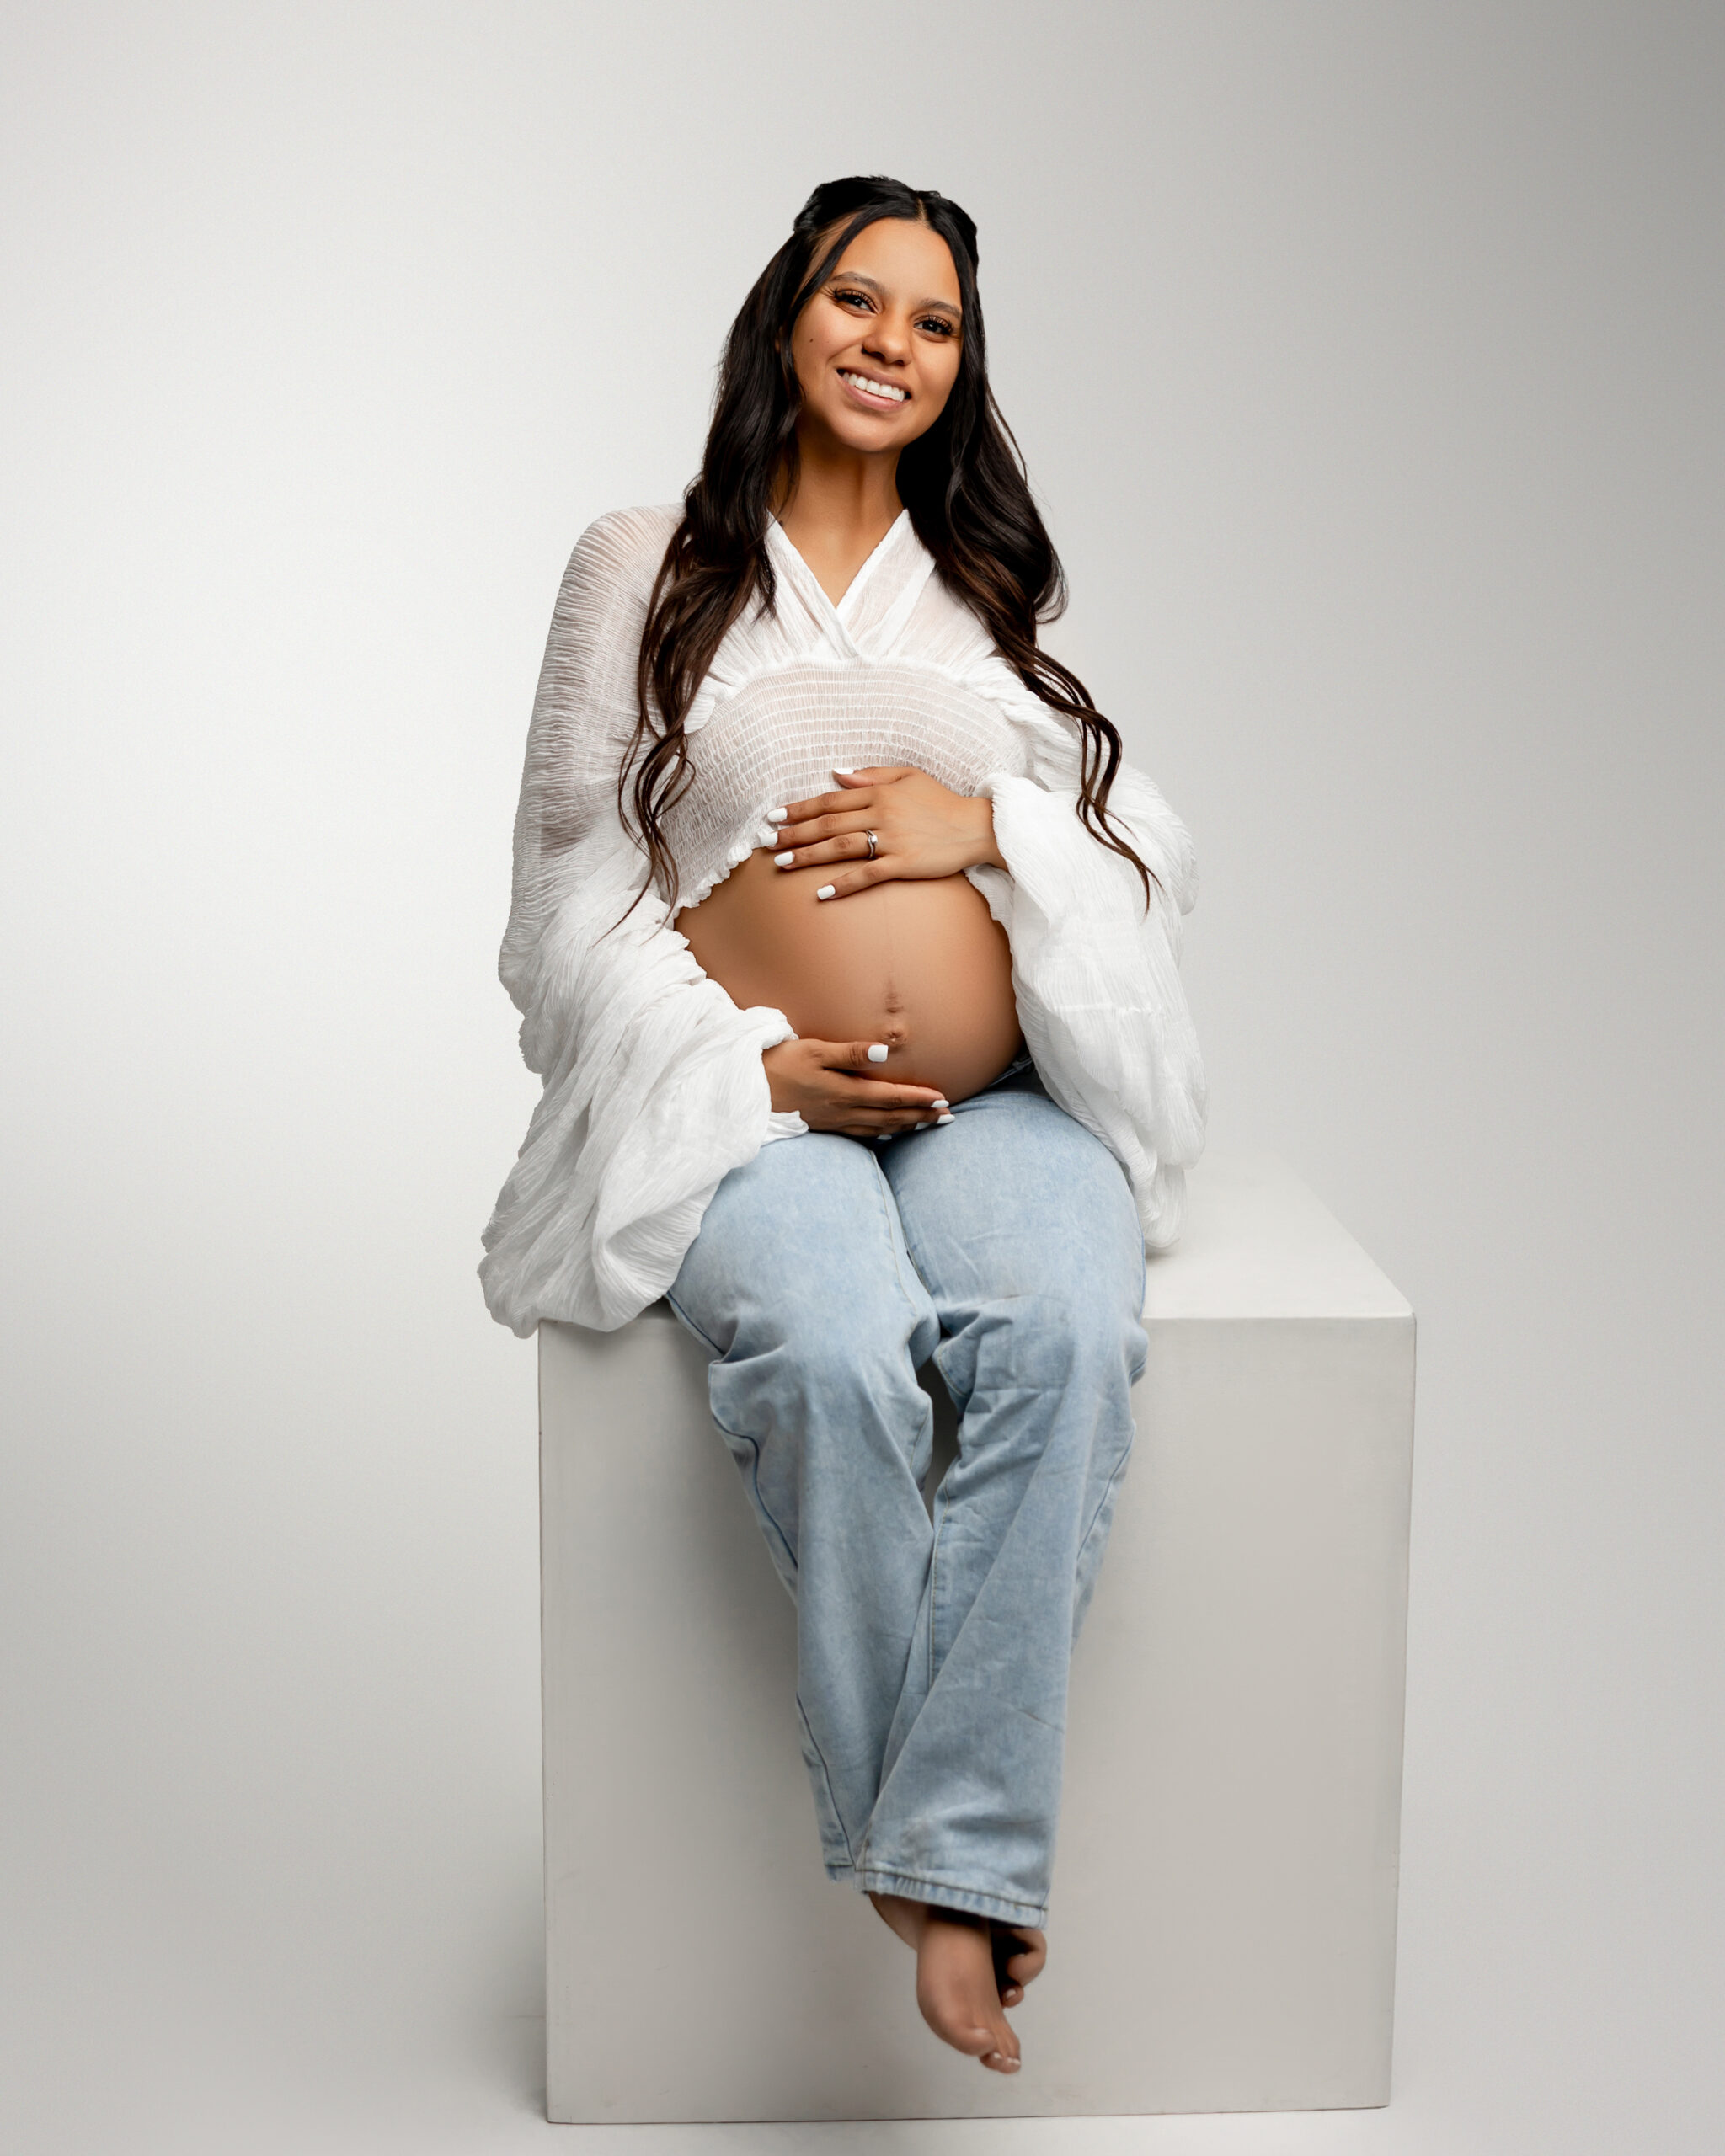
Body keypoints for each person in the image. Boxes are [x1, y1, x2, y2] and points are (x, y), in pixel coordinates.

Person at [482, 175, 1206, 2075]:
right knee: (830, 1349)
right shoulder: (642, 562)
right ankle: (945, 1853)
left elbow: (1151, 847)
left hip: (991, 1100)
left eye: (935, 321)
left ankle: (939, 1845)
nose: (893, 341)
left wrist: (992, 830)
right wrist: (745, 1067)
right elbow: (562, 896)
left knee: (1061, 1332)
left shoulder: (984, 600)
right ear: (784, 321)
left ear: (964, 369)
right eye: (857, 300)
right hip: (755, 1107)